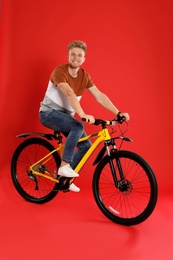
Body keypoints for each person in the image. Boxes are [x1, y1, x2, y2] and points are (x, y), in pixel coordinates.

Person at [39, 40, 130, 192]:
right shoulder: (59, 71)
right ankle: (64, 166)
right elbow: (68, 93)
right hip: (48, 113)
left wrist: (118, 112)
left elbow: (99, 95)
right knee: (78, 125)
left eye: (79, 55)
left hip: (65, 117)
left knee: (86, 145)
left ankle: (65, 179)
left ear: (84, 59)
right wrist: (81, 114)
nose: (76, 57)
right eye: (72, 54)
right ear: (68, 57)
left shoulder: (84, 76)